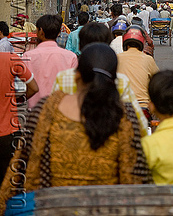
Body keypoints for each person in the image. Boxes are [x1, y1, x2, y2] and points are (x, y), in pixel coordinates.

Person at [0, 44, 152, 212]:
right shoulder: (125, 115)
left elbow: (20, 166)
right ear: (114, 78)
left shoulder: (48, 108)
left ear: (77, 75)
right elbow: (135, 179)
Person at [52, 22, 148, 137]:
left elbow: (52, 115)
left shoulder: (64, 78)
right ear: (108, 45)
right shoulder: (120, 81)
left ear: (79, 46)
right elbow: (139, 126)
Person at [0, 53, 38, 185]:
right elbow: (34, 87)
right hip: (8, 132)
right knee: (10, 182)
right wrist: (19, 99)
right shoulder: (10, 59)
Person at [25, 14, 78, 108]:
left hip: (35, 111)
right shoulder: (71, 57)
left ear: (40, 31)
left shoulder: (28, 56)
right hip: (61, 110)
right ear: (58, 33)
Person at [117, 25, 159, 110]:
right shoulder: (148, 59)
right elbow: (158, 79)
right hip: (144, 107)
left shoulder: (117, 58)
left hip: (122, 107)